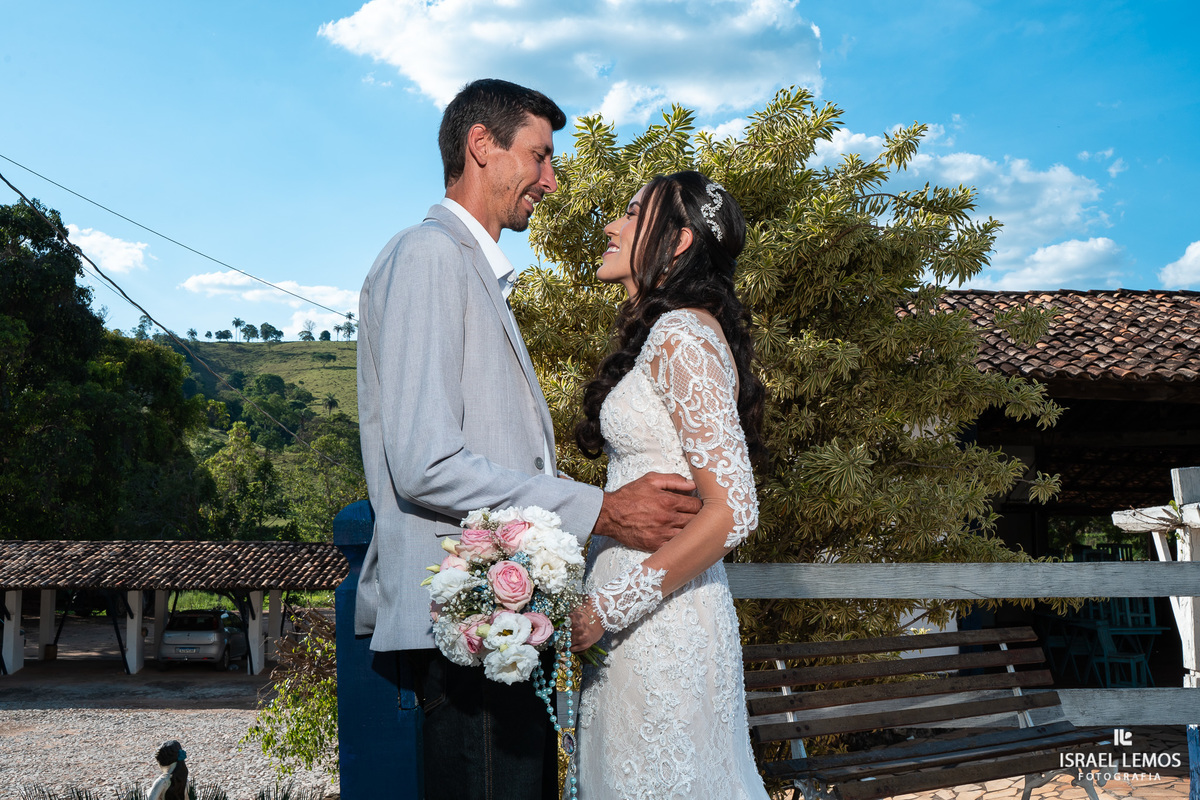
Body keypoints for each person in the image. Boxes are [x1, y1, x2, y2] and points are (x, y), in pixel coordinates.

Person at [356, 79, 702, 799]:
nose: (551, 180)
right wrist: (601, 511)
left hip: (502, 634)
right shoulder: (429, 256)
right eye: (540, 156)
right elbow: (425, 463)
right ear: (481, 145)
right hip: (467, 635)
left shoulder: (471, 270)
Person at [569, 171, 771, 799]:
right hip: (637, 626)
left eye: (633, 214)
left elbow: (734, 510)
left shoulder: (682, 335)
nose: (612, 225)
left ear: (678, 240)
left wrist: (606, 609)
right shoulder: (669, 333)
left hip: (659, 628)